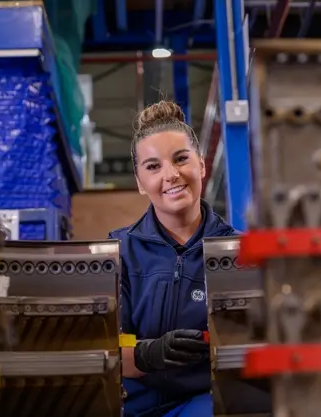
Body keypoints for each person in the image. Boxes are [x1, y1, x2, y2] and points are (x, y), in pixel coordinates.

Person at [108, 100, 238, 416]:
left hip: (205, 402)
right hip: (133, 402)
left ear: (202, 166)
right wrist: (147, 355)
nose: (171, 175)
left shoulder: (236, 253)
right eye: (153, 166)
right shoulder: (120, 251)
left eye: (181, 159)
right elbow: (104, 351)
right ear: (140, 182)